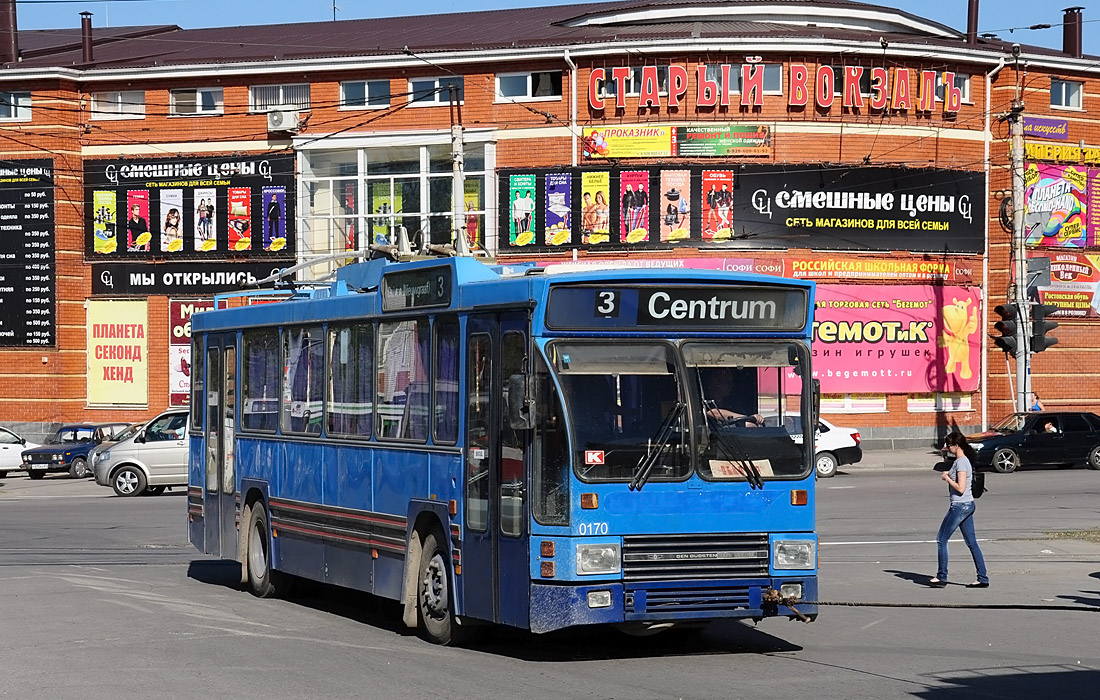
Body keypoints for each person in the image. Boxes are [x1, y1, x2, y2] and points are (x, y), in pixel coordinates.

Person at [929, 432, 989, 588]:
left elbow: (961, 488)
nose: (947, 448)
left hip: (960, 506)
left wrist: (947, 478)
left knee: (941, 539)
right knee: (972, 543)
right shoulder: (961, 461)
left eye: (949, 445)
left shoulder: (962, 462)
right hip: (967, 505)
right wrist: (949, 474)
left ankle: (941, 576)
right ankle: (983, 578)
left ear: (956, 446)